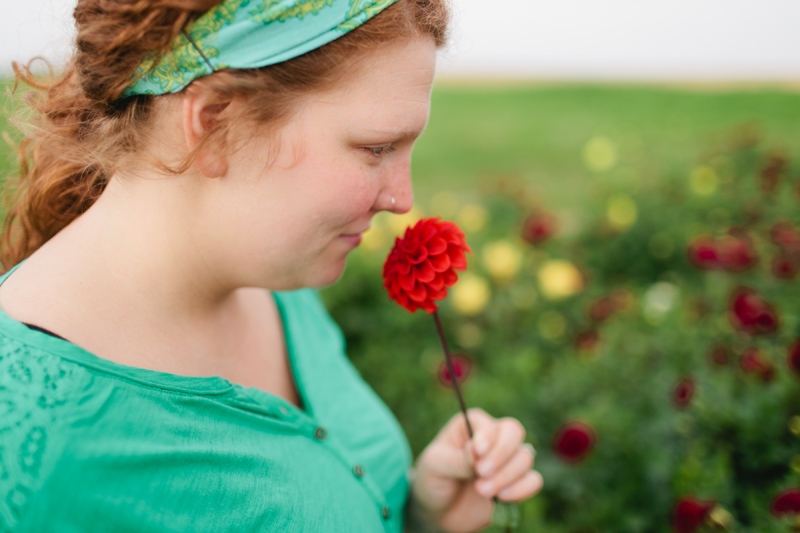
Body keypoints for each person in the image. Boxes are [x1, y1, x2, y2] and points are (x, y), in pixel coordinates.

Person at [0, 0, 543, 531]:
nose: (402, 198)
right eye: (377, 148)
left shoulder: (278, 285)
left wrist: (422, 515)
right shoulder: (28, 448)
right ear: (215, 123)